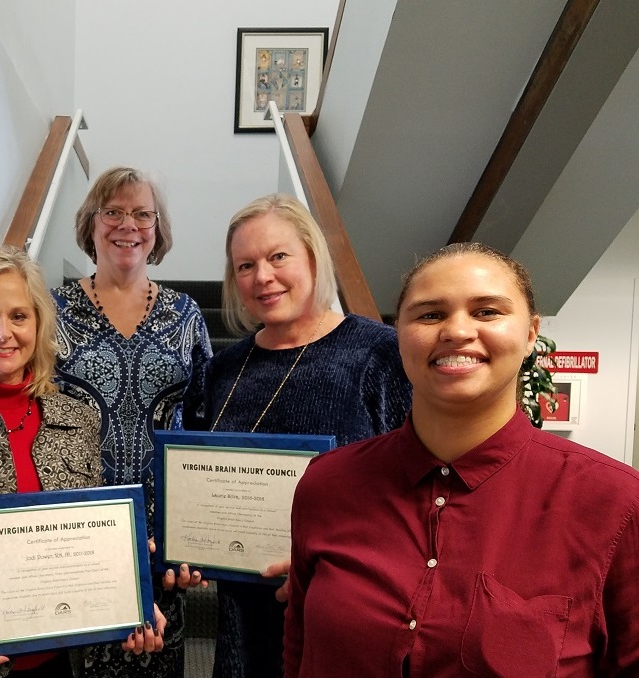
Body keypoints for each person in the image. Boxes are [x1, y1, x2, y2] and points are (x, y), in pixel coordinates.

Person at [284, 242, 639, 677]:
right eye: (430, 314)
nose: (456, 331)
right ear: (399, 336)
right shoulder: (328, 483)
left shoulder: (614, 501)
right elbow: (299, 653)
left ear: (530, 334)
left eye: (487, 311)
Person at [204, 194, 411, 678]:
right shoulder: (223, 370)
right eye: (246, 265)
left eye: (279, 256)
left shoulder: (379, 355)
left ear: (314, 258)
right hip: (243, 616)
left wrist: (334, 569)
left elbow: (415, 493)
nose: (263, 277)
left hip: (344, 611)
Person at [0, 245, 165, 677]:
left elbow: (91, 538)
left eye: (19, 316)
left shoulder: (77, 418)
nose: (3, 332)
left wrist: (131, 596)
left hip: (61, 661)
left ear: (39, 324)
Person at [52, 166, 212, 677]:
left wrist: (194, 529)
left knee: (159, 653)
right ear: (90, 225)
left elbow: (204, 422)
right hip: (80, 521)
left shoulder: (186, 314)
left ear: (158, 228)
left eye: (143, 213)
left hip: (162, 528)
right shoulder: (53, 311)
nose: (129, 225)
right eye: (113, 212)